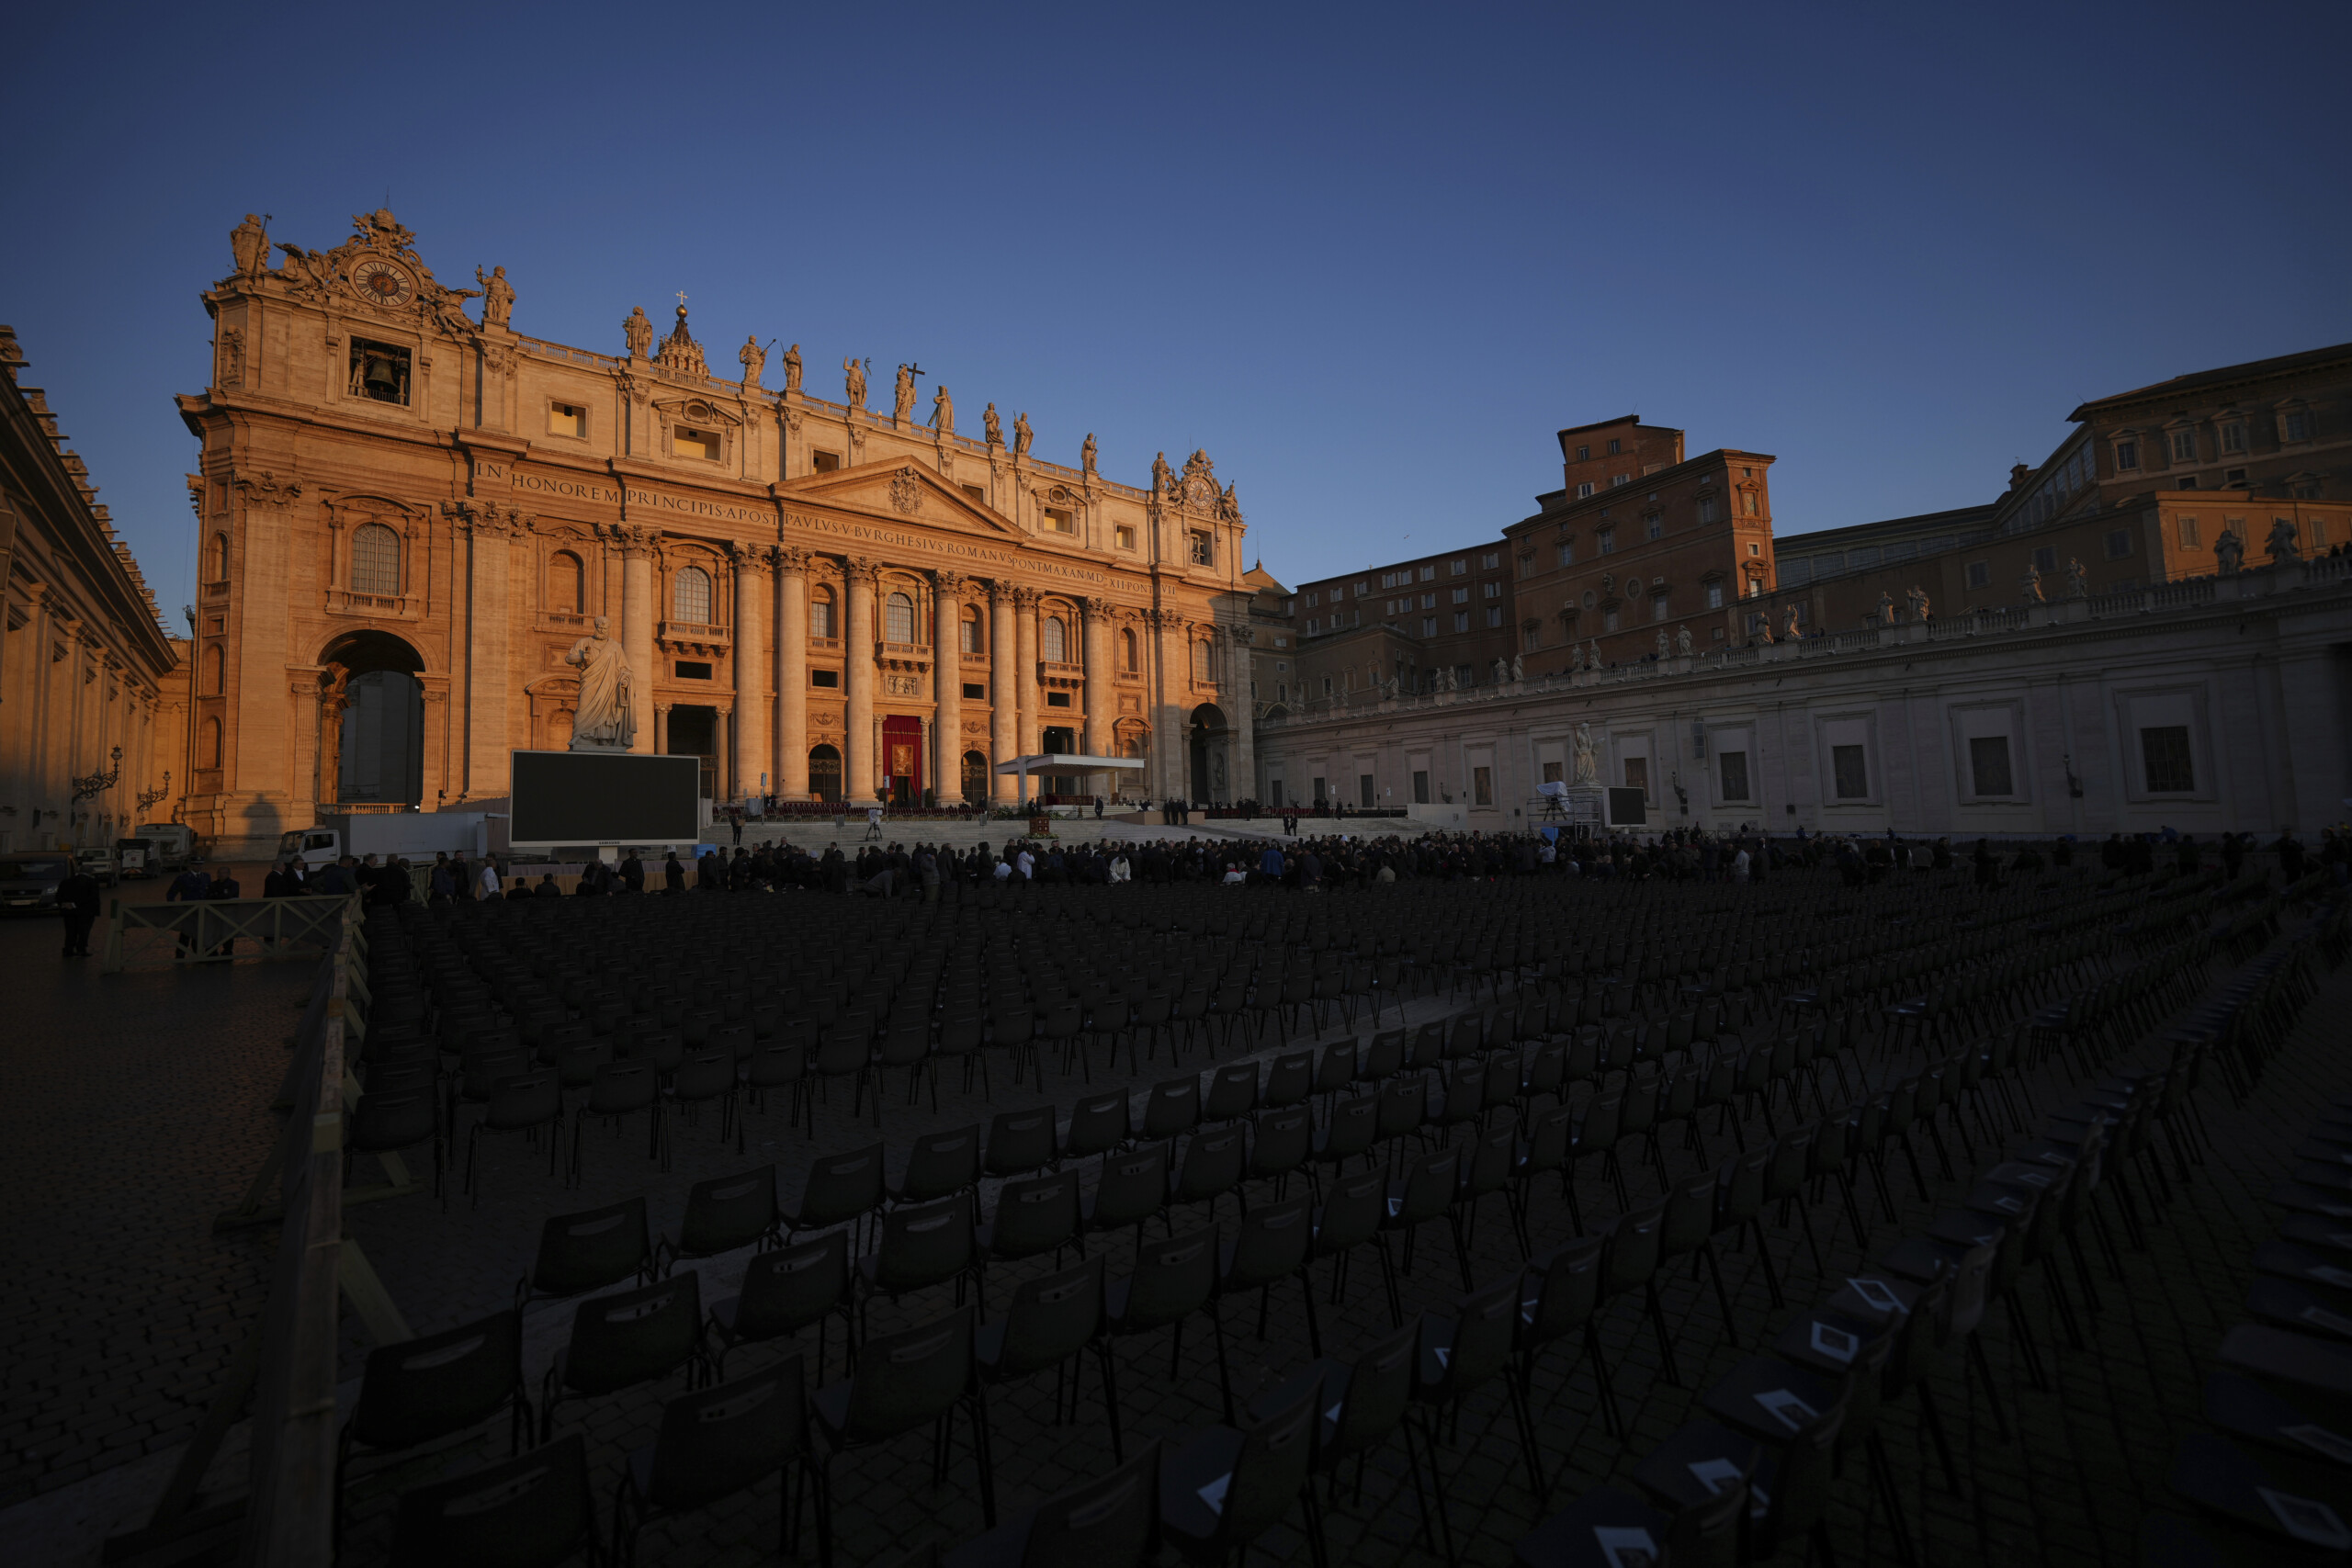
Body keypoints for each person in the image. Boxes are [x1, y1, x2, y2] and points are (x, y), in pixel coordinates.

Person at [57, 863, 102, 958]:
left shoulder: (66, 881)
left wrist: (64, 904)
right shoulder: (91, 882)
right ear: (91, 872)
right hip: (85, 912)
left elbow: (59, 895)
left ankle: (68, 949)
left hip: (69, 911)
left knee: (70, 931)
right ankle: (81, 949)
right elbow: (91, 897)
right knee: (83, 932)